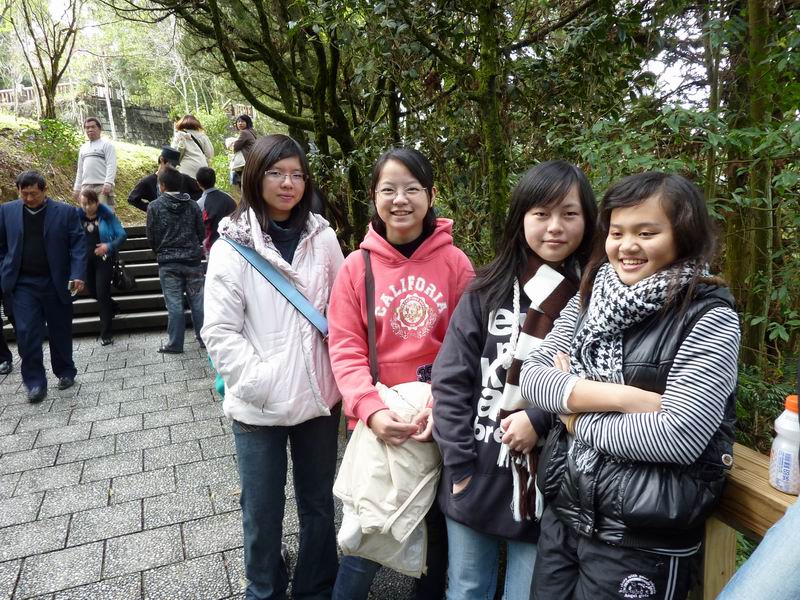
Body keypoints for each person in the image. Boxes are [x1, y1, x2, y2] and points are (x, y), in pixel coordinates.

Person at [519, 172, 741, 600]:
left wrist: (572, 417)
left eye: (647, 233)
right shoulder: (593, 295)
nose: (627, 245)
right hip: (566, 515)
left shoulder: (707, 316)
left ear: (683, 235)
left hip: (643, 537)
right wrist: (624, 399)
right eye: (617, 232)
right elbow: (533, 376)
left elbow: (676, 437)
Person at [431, 160, 597, 599]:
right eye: (541, 214)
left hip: (549, 482)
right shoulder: (486, 289)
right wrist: (459, 467)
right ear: (521, 218)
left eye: (569, 214)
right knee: (466, 589)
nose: (555, 227)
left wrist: (539, 419)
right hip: (476, 466)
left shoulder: (595, 299)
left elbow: (596, 381)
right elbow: (450, 380)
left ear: (588, 220)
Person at [202, 134, 344, 600]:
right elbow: (220, 331)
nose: (288, 183)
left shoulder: (323, 238)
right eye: (277, 173)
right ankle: (263, 589)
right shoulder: (231, 246)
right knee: (261, 507)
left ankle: (315, 586)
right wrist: (259, 382)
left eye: (297, 174)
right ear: (254, 177)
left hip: (319, 397)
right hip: (257, 402)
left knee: (318, 503)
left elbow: (342, 311)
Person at [328, 147, 473, 600]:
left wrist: (441, 406)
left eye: (412, 188)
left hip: (439, 416)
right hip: (381, 419)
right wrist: (370, 411)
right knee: (368, 529)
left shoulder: (455, 264)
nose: (400, 199)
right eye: (388, 189)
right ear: (374, 196)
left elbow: (468, 347)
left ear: (431, 195)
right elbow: (345, 348)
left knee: (435, 533)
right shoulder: (357, 267)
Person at [0, 171, 86, 403]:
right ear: (18, 190)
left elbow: (78, 245)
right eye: (24, 193)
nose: (29, 198)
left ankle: (65, 371)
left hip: (56, 282)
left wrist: (77, 274)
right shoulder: (6, 212)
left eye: (33, 194)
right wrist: (4, 269)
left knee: (60, 330)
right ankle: (35, 382)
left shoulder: (65, 213)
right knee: (27, 333)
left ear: (44, 190)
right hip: (23, 284)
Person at [146, 165, 205, 354]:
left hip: (168, 262)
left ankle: (175, 344)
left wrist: (159, 252)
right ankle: (205, 338)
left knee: (174, 304)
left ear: (162, 185)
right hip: (192, 261)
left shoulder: (154, 207)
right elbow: (201, 232)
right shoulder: (193, 205)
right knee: (198, 302)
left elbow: (151, 236)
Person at [77, 189, 127, 346]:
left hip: (104, 260)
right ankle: (114, 306)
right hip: (86, 261)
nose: (86, 207)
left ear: (96, 202)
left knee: (102, 293)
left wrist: (108, 246)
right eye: (83, 204)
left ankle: (106, 333)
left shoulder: (106, 216)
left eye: (89, 204)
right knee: (92, 290)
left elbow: (122, 235)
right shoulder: (76, 218)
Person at [128, 146, 202, 212]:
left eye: (175, 165)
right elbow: (132, 199)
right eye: (171, 164)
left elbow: (201, 190)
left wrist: (189, 208)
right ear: (162, 159)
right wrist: (152, 209)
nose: (173, 167)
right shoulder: (148, 181)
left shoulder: (183, 178)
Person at [73, 117, 117, 211]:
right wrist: (77, 188)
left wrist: (108, 183)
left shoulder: (107, 145)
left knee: (105, 213)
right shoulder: (83, 148)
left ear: (99, 129)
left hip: (102, 186)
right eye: (87, 127)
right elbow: (80, 170)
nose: (90, 129)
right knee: (87, 213)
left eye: (93, 127)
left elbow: (111, 165)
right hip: (86, 187)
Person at [195, 166, 236, 251]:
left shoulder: (199, 204)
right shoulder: (229, 198)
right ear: (215, 180)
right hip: (233, 245)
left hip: (212, 248)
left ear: (198, 184)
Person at [171, 114, 215, 180]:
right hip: (201, 169)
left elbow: (173, 153)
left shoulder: (179, 135)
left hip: (185, 170)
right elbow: (210, 153)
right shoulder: (202, 136)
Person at [228, 114, 256, 189]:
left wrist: (231, 144)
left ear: (247, 122)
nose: (240, 123)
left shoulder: (244, 133)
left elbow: (235, 147)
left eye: (243, 121)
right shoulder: (251, 131)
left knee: (244, 185)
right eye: (238, 121)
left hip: (245, 162)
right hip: (252, 160)